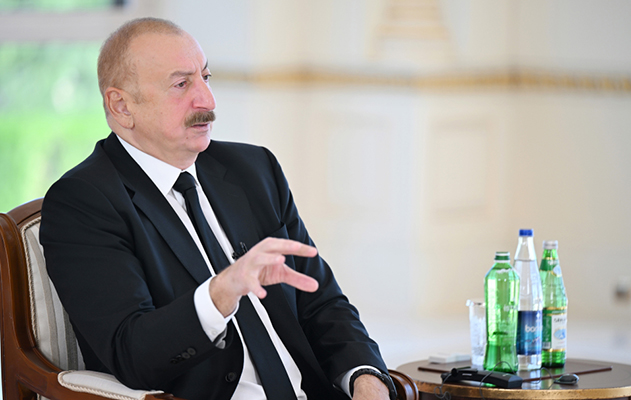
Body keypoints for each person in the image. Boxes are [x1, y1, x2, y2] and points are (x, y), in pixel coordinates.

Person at [40, 17, 396, 400]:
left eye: (205, 77)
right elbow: (131, 352)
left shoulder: (253, 170)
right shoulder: (83, 202)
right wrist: (221, 293)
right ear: (121, 105)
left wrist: (365, 378)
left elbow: (321, 302)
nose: (207, 101)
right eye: (181, 85)